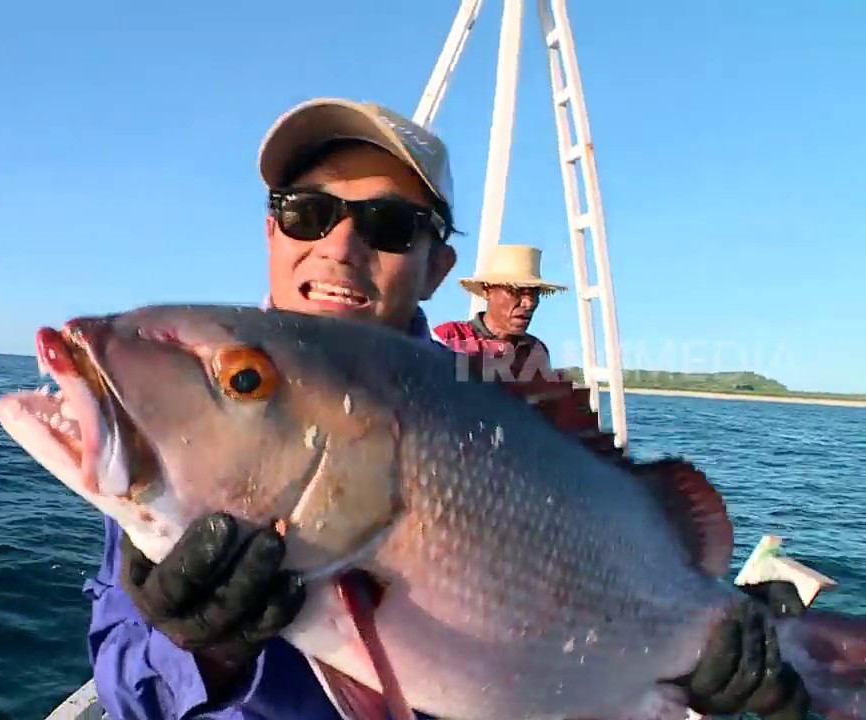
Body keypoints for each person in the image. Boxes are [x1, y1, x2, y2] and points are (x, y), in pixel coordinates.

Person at [81, 97, 812, 720]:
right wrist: (199, 649)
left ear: (438, 268)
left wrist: (696, 666)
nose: (339, 247)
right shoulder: (182, 418)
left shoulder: (494, 411)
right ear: (272, 232)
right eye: (307, 212)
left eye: (390, 225)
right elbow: (126, 689)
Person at [433, 244, 561, 383]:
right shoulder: (449, 338)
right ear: (487, 291)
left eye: (534, 294)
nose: (529, 303)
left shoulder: (535, 350)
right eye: (516, 291)